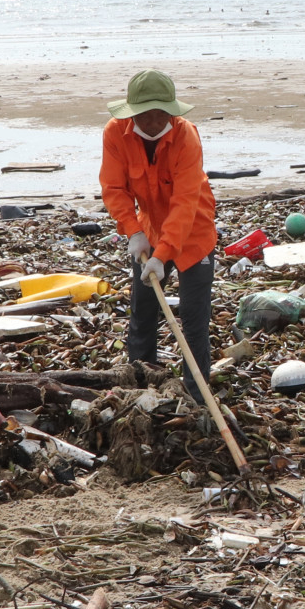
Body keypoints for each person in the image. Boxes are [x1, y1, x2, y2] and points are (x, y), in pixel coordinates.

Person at [100, 69, 218, 405]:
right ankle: (141, 386)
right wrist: (133, 231)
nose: (153, 122)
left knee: (194, 320)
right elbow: (113, 188)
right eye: (145, 115)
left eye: (160, 114)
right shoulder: (116, 133)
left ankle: (197, 395)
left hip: (193, 231)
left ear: (171, 110)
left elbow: (184, 204)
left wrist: (163, 254)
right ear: (132, 112)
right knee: (143, 312)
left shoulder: (186, 137)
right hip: (148, 228)